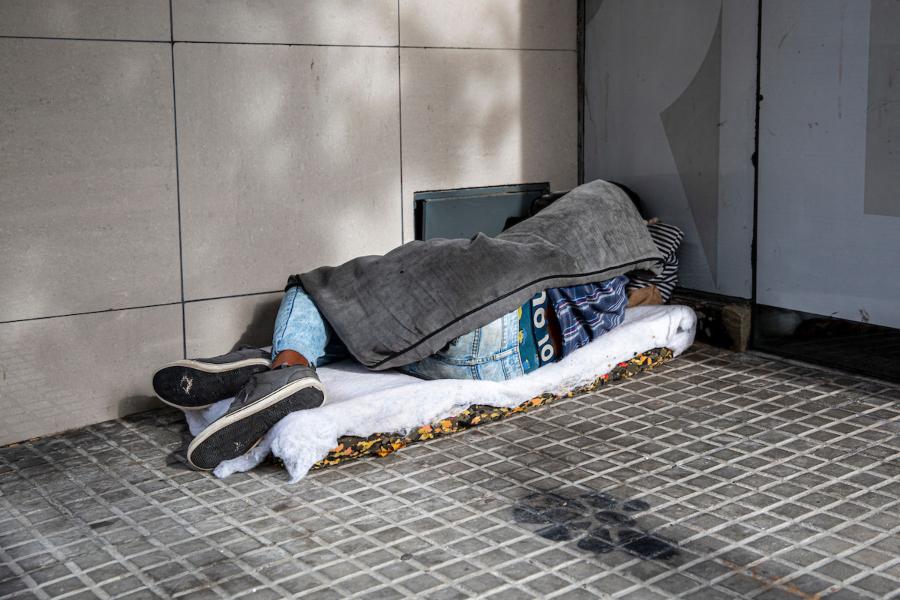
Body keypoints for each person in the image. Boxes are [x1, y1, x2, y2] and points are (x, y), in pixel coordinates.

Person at [151, 180, 681, 470]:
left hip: (493, 316)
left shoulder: (597, 206)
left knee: (327, 287)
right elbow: (663, 258)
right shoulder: (632, 283)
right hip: (507, 361)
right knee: (364, 324)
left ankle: (286, 366)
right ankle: (264, 368)